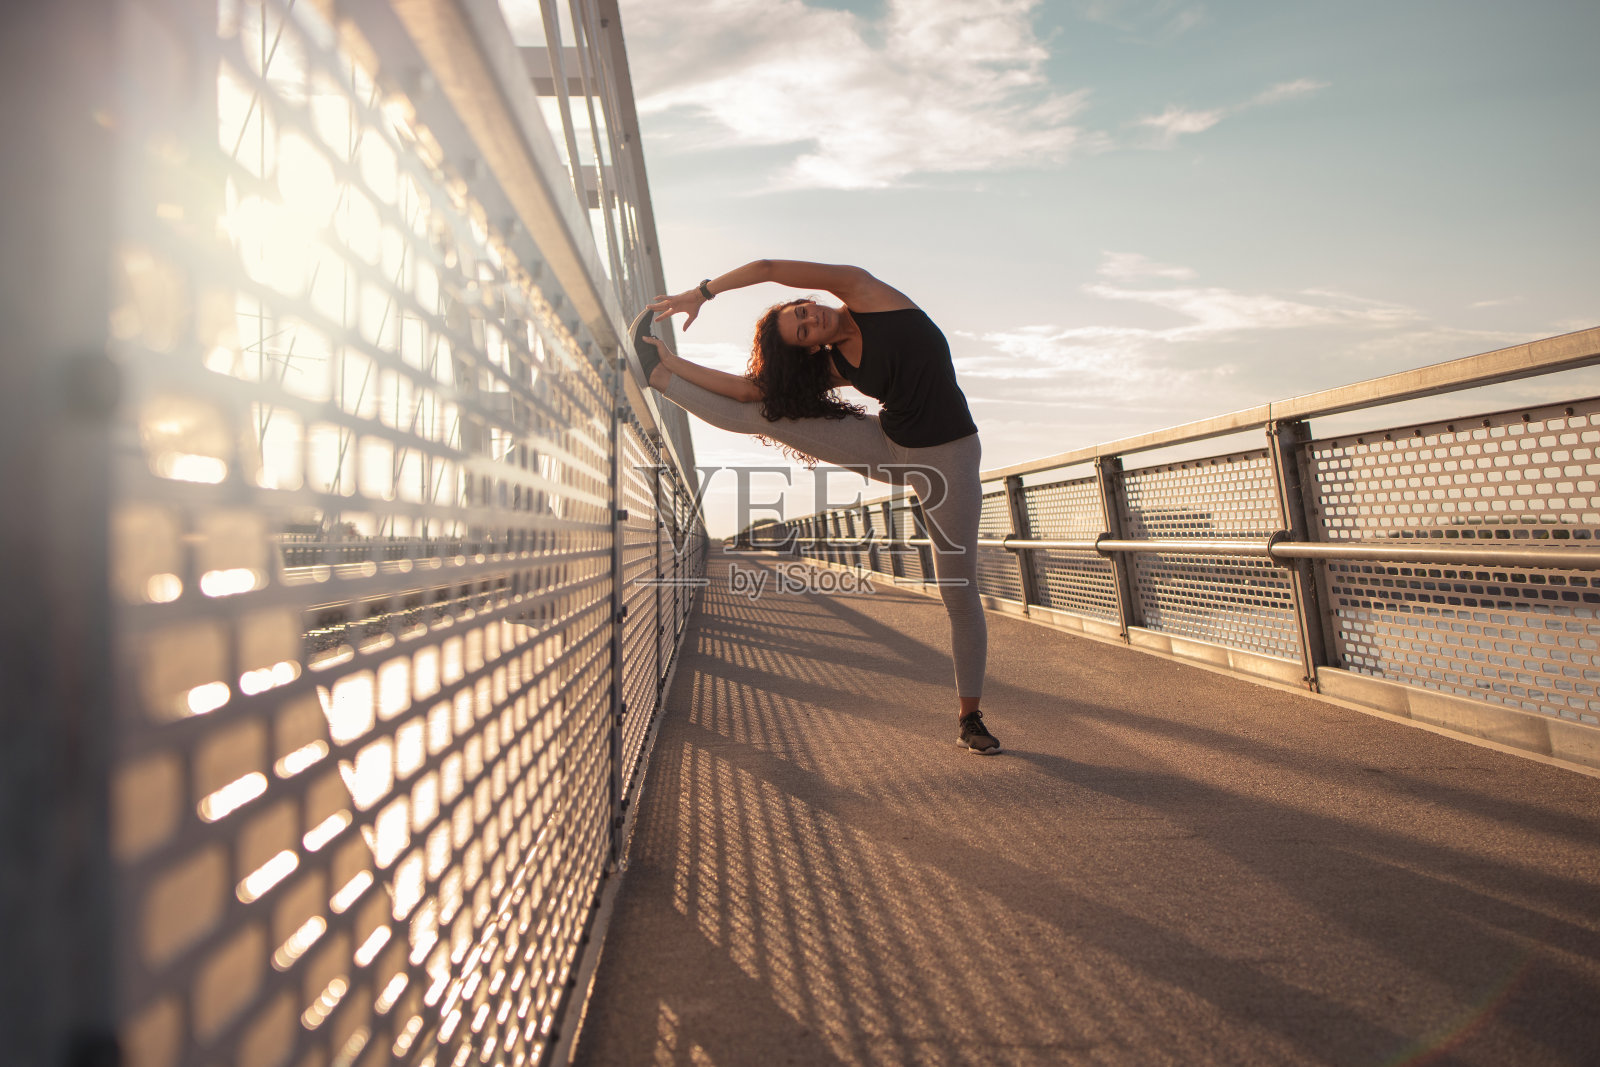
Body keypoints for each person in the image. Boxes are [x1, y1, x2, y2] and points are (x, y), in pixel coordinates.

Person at [634, 259, 1000, 755]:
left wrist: (702, 292)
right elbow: (749, 392)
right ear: (810, 347)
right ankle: (654, 377)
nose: (811, 321)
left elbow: (766, 267)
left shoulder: (862, 290)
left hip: (950, 458)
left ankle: (969, 718)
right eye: (804, 332)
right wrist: (670, 363)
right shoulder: (837, 361)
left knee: (958, 589)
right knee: (764, 414)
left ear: (808, 298)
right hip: (888, 449)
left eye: (804, 311)